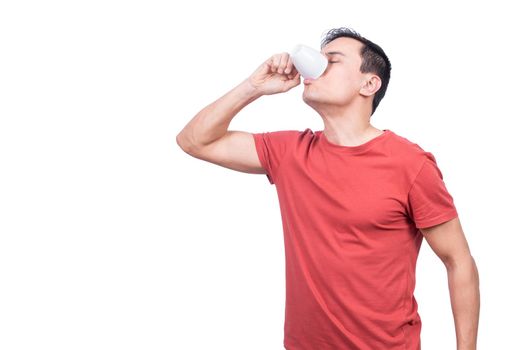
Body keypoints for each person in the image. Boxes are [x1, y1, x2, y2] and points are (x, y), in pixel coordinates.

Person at [176, 26, 480, 350]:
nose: (313, 68)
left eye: (331, 61)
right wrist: (253, 87)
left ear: (369, 83)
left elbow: (458, 260)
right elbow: (194, 140)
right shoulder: (290, 152)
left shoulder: (411, 164)